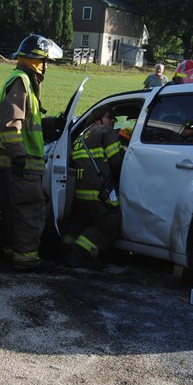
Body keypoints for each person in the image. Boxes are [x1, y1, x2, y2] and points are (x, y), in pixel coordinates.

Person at [0, 34, 64, 272]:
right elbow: (11, 123)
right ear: (37, 61)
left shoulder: (23, 81)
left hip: (12, 162)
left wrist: (53, 124)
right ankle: (27, 258)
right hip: (21, 163)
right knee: (31, 208)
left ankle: (11, 251)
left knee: (14, 209)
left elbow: (29, 120)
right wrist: (18, 155)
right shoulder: (22, 81)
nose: (47, 66)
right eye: (46, 61)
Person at [60, 109, 133, 269]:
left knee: (79, 222)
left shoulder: (80, 135)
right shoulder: (106, 131)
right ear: (98, 119)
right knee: (110, 224)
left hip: (79, 192)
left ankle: (65, 249)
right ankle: (78, 254)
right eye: (110, 117)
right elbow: (116, 162)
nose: (113, 121)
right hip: (98, 192)